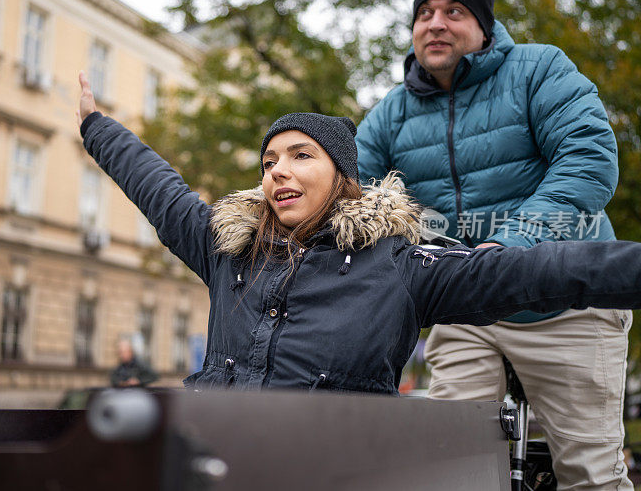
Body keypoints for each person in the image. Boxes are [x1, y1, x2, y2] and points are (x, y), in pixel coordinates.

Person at [76, 71, 641, 401]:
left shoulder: (397, 265)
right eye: (269, 160)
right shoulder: (227, 249)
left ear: (343, 181)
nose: (278, 170)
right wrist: (96, 128)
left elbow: (532, 273)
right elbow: (159, 188)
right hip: (216, 460)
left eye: (301, 156)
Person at [355, 0, 631, 488]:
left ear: (483, 28)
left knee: (589, 474)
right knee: (448, 466)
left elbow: (588, 159)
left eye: (454, 11)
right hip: (467, 307)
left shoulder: (539, 69)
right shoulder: (391, 113)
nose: (435, 23)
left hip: (563, 301)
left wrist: (514, 242)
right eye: (425, 13)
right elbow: (349, 193)